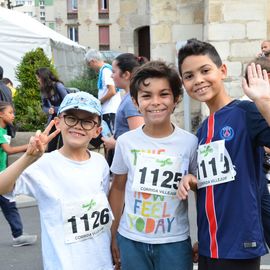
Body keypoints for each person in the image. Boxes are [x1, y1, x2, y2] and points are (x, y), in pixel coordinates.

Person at [177, 39, 269, 270]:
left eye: (205, 70)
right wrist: (194, 181)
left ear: (222, 71)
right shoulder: (202, 130)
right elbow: (218, 181)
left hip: (240, 245)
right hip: (210, 246)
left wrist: (265, 102)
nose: (198, 80)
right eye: (189, 76)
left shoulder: (246, 112)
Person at [0, 92, 114, 270]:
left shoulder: (100, 164)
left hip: (102, 262)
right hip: (63, 264)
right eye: (71, 118)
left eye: (87, 121)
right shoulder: (43, 165)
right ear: (59, 122)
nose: (78, 126)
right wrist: (28, 158)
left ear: (97, 131)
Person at [109, 60, 198, 270]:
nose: (155, 102)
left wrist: (204, 236)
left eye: (164, 94)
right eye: (147, 96)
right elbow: (118, 188)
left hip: (174, 243)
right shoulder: (126, 142)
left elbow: (201, 192)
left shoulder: (190, 142)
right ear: (135, 101)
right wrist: (112, 236)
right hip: (131, 240)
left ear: (176, 98)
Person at [0, 101, 37, 247]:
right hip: (2, 176)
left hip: (3, 173)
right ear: (1, 114)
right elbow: (8, 150)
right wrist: (28, 148)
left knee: (9, 204)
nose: (13, 115)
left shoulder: (3, 131)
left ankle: (18, 234)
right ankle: (18, 235)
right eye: (10, 112)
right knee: (9, 204)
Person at [101, 53, 146, 151]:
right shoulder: (128, 97)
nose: (111, 76)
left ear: (126, 75)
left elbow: (139, 140)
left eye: (114, 72)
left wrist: (114, 144)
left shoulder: (131, 101)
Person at [85, 49, 121, 134]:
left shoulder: (105, 71)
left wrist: (99, 102)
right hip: (109, 110)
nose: (91, 68)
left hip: (110, 110)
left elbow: (112, 91)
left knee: (111, 137)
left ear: (93, 61)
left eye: (89, 65)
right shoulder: (106, 69)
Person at [36, 67, 68, 152]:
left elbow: (68, 102)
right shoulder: (43, 90)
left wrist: (55, 109)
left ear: (44, 77)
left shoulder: (58, 86)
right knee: (51, 144)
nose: (38, 81)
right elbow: (44, 106)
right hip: (53, 120)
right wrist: (48, 110)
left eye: (38, 78)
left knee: (63, 144)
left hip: (64, 118)